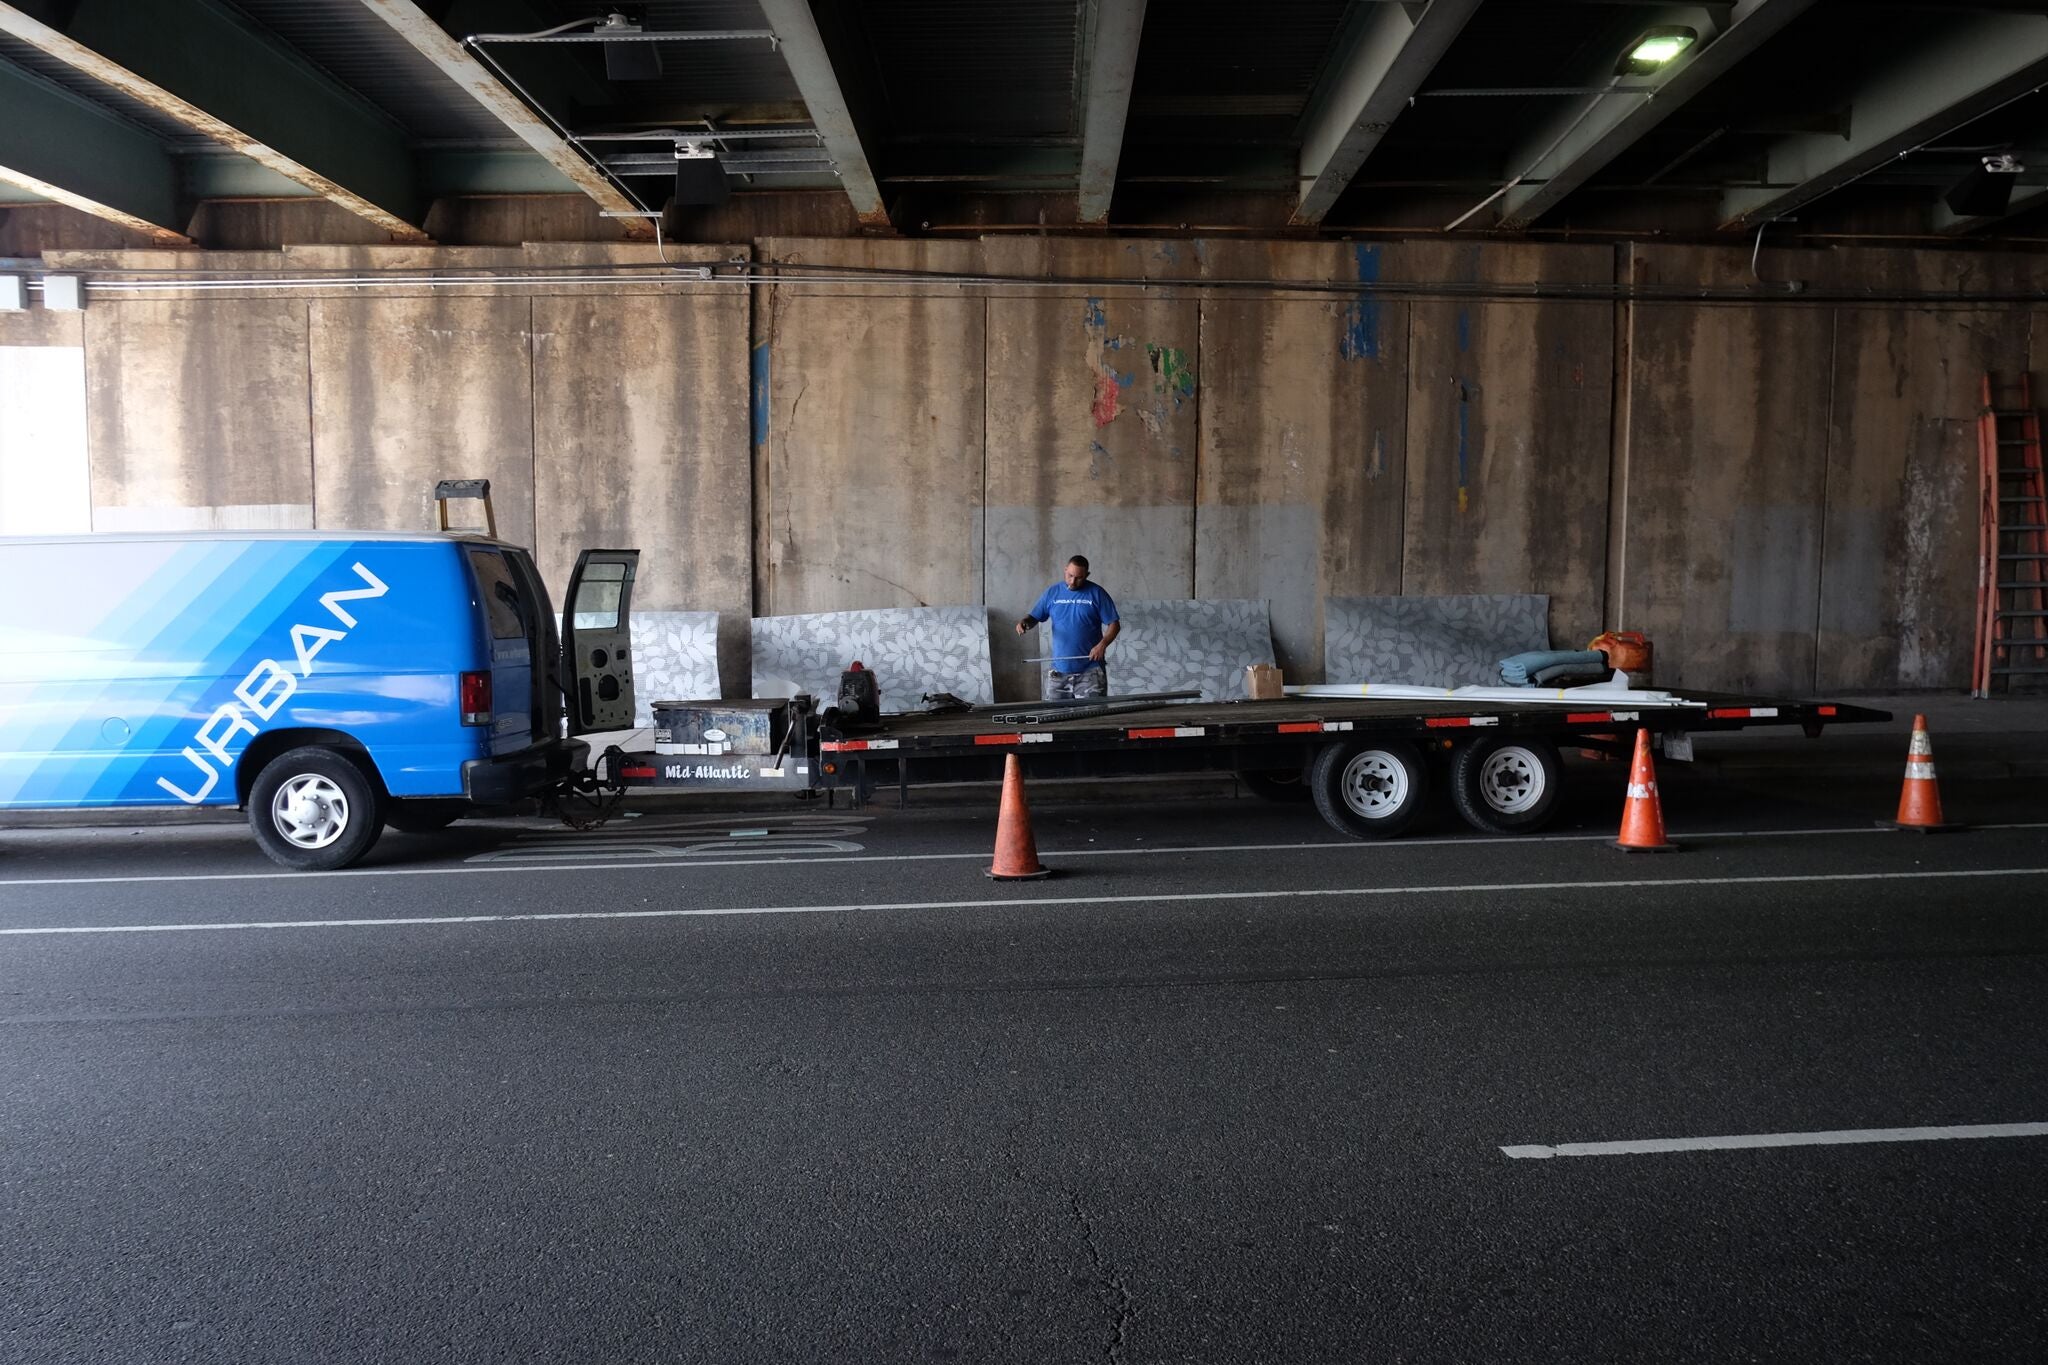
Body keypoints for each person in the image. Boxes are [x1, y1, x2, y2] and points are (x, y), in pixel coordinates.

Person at [1016, 555, 1120, 700]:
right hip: (1059, 672)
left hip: (1090, 671)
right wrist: (1025, 623)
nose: (1073, 581)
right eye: (1070, 575)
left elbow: (1114, 624)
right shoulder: (1052, 593)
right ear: (1065, 570)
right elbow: (1034, 617)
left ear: (1087, 575)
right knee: (1055, 719)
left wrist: (1102, 645)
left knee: (1092, 719)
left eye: (1079, 578)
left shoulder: (1097, 593)